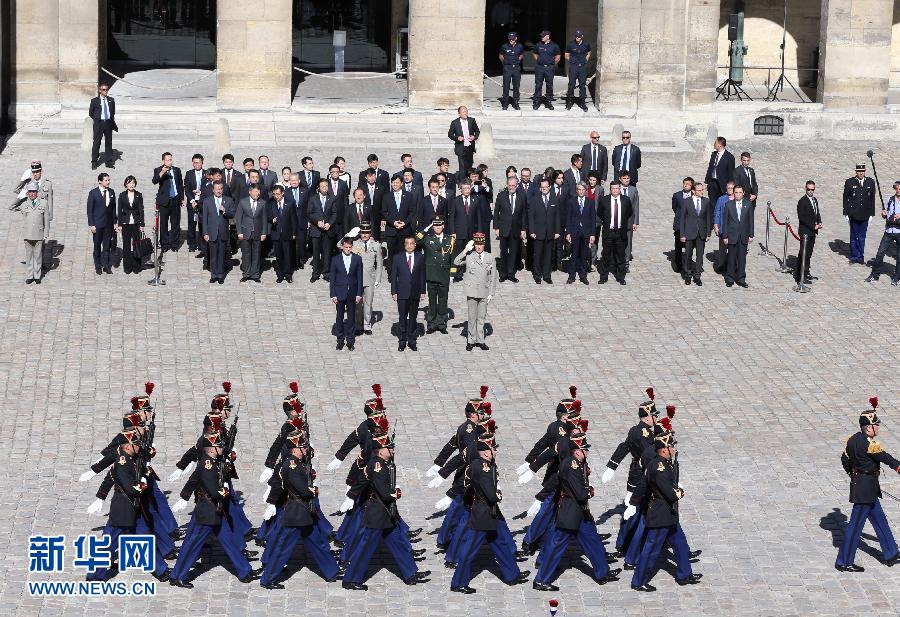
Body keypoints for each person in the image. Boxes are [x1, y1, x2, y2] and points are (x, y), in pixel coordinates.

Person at [341, 430, 430, 590]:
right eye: (390, 447)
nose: (393, 450)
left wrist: (351, 494)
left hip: (387, 514)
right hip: (377, 514)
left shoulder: (380, 464)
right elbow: (384, 494)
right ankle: (350, 580)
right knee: (364, 549)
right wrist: (396, 492)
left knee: (400, 544)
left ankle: (411, 574)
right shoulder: (377, 466)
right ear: (380, 450)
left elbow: (361, 481)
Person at [169, 433, 262, 588]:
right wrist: (224, 490)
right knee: (192, 546)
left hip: (217, 513)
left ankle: (245, 572)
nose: (222, 449)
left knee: (230, 542)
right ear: (212, 449)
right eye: (219, 447)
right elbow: (213, 491)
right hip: (207, 514)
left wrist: (184, 496)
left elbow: (193, 479)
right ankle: (178, 576)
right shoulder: (207, 465)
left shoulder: (214, 461)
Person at [532, 432, 620, 591]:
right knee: (556, 547)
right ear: (577, 451)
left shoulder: (579, 463)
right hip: (570, 513)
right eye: (585, 449)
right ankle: (541, 580)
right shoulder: (571, 465)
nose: (587, 452)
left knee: (593, 542)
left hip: (581, 514)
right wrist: (590, 491)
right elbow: (580, 493)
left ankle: (603, 573)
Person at [258, 429, 342, 588]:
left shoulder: (298, 463)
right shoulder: (292, 467)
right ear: (294, 449)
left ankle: (331, 571)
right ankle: (267, 579)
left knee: (319, 543)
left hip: (305, 513)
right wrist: (314, 489)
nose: (306, 449)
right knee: (283, 549)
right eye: (303, 447)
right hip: (295, 514)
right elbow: (304, 490)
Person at [450, 438, 530, 594]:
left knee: (500, 545)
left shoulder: (484, 465)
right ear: (486, 452)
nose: (495, 451)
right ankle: (458, 583)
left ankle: (512, 575)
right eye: (493, 448)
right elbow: (491, 495)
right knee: (469, 550)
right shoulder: (482, 468)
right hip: (482, 514)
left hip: (488, 512)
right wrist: (497, 494)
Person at [630, 428, 702, 591]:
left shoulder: (663, 463)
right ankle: (639, 581)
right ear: (663, 449)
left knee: (680, 543)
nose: (674, 449)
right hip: (660, 515)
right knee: (651, 550)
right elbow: (670, 494)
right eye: (671, 446)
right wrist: (679, 491)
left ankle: (684, 574)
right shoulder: (659, 467)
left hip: (668, 514)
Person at [835, 398, 900, 572]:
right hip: (865, 490)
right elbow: (884, 457)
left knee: (880, 520)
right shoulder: (869, 444)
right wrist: (898, 467)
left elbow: (844, 459)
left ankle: (891, 553)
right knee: (855, 527)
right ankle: (844, 561)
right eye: (876, 425)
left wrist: (853, 475)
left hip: (865, 487)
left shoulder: (852, 440)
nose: (878, 427)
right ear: (868, 427)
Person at [454, 233, 497, 351]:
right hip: (472, 291)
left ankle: (480, 340)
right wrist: (465, 250)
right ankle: (471, 340)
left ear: (484, 244)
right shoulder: (469, 256)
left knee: (481, 317)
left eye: (481, 244)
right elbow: (456, 262)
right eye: (477, 244)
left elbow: (493, 276)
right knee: (472, 317)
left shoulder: (489, 258)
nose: (479, 247)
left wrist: (491, 293)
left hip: (484, 291)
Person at [416, 217, 453, 334]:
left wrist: (452, 274)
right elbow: (416, 239)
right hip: (431, 273)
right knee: (432, 300)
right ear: (432, 227)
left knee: (443, 300)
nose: (437, 227)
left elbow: (452, 258)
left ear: (443, 226)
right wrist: (426, 228)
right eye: (435, 225)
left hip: (444, 274)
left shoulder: (450, 239)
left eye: (439, 225)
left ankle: (441, 323)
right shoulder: (427, 239)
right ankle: (431, 324)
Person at [391, 236, 426, 351]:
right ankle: (402, 340)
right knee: (402, 317)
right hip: (402, 292)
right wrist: (394, 291)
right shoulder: (397, 258)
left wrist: (423, 291)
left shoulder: (420, 257)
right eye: (407, 243)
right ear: (404, 245)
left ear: (415, 245)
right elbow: (394, 276)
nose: (409, 246)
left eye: (412, 243)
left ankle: (411, 340)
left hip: (415, 292)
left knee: (413, 317)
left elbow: (422, 275)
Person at [328, 237, 364, 351]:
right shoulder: (336, 259)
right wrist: (333, 294)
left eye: (350, 247)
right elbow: (332, 278)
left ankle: (350, 340)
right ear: (342, 247)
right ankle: (339, 339)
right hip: (339, 292)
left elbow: (360, 277)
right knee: (339, 316)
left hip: (352, 292)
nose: (348, 249)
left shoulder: (357, 259)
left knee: (351, 317)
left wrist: (359, 293)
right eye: (346, 247)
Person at [12, 181, 50, 284]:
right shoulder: (24, 203)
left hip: (39, 234)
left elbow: (46, 220)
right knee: (29, 256)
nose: (32, 194)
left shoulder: (43, 203)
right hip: (28, 234)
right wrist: (20, 197)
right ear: (27, 193)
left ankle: (37, 276)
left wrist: (46, 234)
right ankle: (29, 276)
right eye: (30, 192)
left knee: (38, 256)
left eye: (34, 192)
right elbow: (11, 207)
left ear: (37, 192)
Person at [864, 180, 900, 284]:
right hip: (889, 231)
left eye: (899, 188)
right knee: (880, 254)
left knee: (899, 256)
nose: (898, 190)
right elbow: (886, 214)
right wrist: (884, 214)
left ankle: (897, 276)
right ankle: (875, 275)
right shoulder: (890, 199)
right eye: (896, 188)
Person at [598, 181, 633, 285]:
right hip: (608, 232)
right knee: (606, 255)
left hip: (620, 232)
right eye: (613, 188)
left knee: (620, 256)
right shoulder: (604, 200)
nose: (615, 190)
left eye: (617, 188)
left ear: (620, 189)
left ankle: (620, 277)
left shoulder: (625, 200)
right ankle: (603, 277)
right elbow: (600, 213)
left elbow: (629, 213)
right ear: (610, 189)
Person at [493, 176, 527, 283]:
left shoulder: (522, 196)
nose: (511, 187)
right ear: (507, 185)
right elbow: (496, 213)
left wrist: (523, 229)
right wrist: (496, 227)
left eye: (513, 185)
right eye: (509, 185)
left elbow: (524, 214)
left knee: (513, 252)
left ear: (517, 186)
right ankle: (503, 274)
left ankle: (511, 273)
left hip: (516, 229)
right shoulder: (501, 195)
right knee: (503, 252)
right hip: (504, 228)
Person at [352, 222, 383, 335]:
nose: (365, 235)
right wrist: (349, 235)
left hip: (370, 279)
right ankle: (358, 324)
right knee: (358, 303)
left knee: (368, 303)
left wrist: (378, 279)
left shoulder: (376, 245)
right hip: (357, 279)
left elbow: (379, 264)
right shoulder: (355, 244)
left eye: (367, 232)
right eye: (363, 232)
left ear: (370, 233)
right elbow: (338, 245)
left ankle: (367, 325)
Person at [843, 163, 878, 265]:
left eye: (862, 171)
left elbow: (872, 199)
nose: (861, 173)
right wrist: (846, 213)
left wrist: (872, 214)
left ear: (865, 171)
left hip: (865, 214)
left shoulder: (870, 182)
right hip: (853, 214)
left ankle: (860, 256)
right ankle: (854, 256)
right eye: (859, 171)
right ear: (856, 172)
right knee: (854, 237)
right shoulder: (850, 182)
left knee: (862, 237)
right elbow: (845, 198)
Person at [235, 183, 269, 283]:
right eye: (255, 191)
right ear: (250, 192)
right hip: (245, 232)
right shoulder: (243, 202)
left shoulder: (262, 203)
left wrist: (264, 233)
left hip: (258, 232)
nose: (257, 193)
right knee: (246, 253)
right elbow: (238, 218)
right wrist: (239, 232)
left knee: (256, 253)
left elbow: (264, 219)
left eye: (258, 191)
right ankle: (246, 273)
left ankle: (255, 274)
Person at [528, 178, 560, 284]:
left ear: (549, 187)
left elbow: (557, 217)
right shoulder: (534, 199)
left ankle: (547, 275)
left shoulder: (554, 199)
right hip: (538, 232)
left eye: (546, 187)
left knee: (548, 255)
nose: (544, 189)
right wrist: (531, 231)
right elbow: (531, 216)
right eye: (542, 187)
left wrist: (557, 231)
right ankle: (537, 275)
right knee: (537, 255)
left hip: (550, 232)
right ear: (540, 188)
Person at [680, 181, 712, 286]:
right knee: (688, 254)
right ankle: (688, 275)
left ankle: (697, 276)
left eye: (702, 190)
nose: (702, 192)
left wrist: (708, 233)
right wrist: (682, 234)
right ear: (693, 191)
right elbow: (682, 219)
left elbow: (708, 218)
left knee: (700, 255)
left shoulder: (706, 201)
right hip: (689, 232)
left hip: (701, 232)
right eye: (699, 190)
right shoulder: (687, 201)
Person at [382, 175, 416, 275]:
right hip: (391, 230)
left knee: (403, 253)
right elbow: (384, 212)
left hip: (404, 230)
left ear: (401, 183)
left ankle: (403, 273)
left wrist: (405, 223)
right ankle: (391, 274)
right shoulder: (387, 196)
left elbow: (412, 212)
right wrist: (393, 222)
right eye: (393, 183)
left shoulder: (409, 196)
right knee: (391, 253)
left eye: (397, 182)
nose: (395, 184)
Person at [202, 181, 234, 284]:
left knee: (221, 254)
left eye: (220, 189)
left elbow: (232, 214)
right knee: (213, 254)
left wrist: (225, 211)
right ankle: (213, 274)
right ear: (213, 190)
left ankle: (220, 275)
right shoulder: (207, 201)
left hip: (223, 232)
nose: (219, 191)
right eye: (217, 189)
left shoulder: (228, 200)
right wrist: (205, 233)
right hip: (211, 232)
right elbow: (205, 218)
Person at [449, 181, 481, 282]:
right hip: (459, 232)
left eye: (468, 188)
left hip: (471, 232)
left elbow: (478, 217)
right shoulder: (455, 201)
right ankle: (458, 274)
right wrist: (453, 231)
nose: (467, 190)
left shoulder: (475, 199)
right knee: (458, 253)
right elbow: (452, 218)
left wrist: (479, 231)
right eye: (465, 188)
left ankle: (471, 273)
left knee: (471, 253)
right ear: (460, 189)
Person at [722, 185, 753, 288]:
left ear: (743, 193)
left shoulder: (748, 205)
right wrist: (725, 236)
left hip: (743, 235)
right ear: (733, 193)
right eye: (736, 192)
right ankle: (730, 278)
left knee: (742, 258)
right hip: (732, 235)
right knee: (731, 257)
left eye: (740, 192)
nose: (738, 194)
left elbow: (750, 221)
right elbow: (725, 222)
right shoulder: (729, 205)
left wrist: (751, 235)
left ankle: (741, 278)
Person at [151, 152, 184, 252]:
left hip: (175, 200)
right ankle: (164, 244)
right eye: (168, 160)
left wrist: (182, 198)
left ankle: (175, 243)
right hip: (164, 201)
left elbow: (180, 185)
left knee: (175, 223)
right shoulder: (158, 170)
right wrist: (162, 172)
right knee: (163, 224)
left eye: (171, 159)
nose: (170, 161)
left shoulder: (176, 170)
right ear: (163, 161)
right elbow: (154, 180)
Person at [566, 182, 595, 285]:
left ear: (585, 190)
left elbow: (592, 219)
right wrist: (568, 232)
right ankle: (571, 276)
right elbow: (568, 218)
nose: (581, 191)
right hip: (575, 232)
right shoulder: (571, 201)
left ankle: (583, 276)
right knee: (573, 255)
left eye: (583, 190)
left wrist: (592, 234)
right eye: (579, 190)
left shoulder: (590, 202)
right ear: (576, 190)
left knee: (584, 256)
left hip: (586, 232)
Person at [308, 178, 337, 282]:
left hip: (328, 230)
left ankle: (326, 273)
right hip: (316, 230)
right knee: (316, 253)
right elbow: (309, 213)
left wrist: (330, 223)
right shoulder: (313, 199)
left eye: (326, 186)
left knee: (327, 253)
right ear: (318, 188)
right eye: (323, 186)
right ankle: (315, 273)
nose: (325, 188)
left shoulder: (332, 199)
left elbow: (334, 214)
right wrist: (317, 221)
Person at [267, 185, 298, 283]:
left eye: (278, 194)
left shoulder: (290, 203)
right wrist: (271, 219)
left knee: (287, 255)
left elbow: (294, 219)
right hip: (276, 233)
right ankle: (280, 274)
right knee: (279, 255)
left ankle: (288, 274)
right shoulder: (271, 203)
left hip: (287, 233)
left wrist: (294, 232)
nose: (276, 196)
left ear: (283, 193)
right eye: (274, 194)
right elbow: (267, 215)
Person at [87, 173, 116, 275]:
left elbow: (113, 209)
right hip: (98, 224)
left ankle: (107, 266)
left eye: (108, 180)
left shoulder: (111, 192)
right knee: (97, 246)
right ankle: (98, 265)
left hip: (108, 224)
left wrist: (114, 222)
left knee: (107, 246)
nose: (108, 182)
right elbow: (90, 210)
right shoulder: (93, 193)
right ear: (100, 181)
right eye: (106, 180)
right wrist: (92, 224)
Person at [116, 176, 145, 276]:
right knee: (126, 246)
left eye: (133, 183)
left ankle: (137, 266)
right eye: (129, 183)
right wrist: (119, 224)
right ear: (126, 184)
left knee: (137, 245)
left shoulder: (139, 195)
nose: (131, 185)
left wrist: (142, 224)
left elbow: (141, 210)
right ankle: (127, 267)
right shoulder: (122, 195)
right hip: (126, 223)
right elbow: (119, 210)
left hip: (136, 223)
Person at [797, 180, 824, 285]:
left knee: (809, 254)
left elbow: (817, 212)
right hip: (805, 232)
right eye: (808, 189)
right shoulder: (802, 201)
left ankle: (806, 272)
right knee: (803, 254)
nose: (810, 191)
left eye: (812, 189)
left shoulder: (814, 200)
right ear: (805, 189)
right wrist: (813, 226)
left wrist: (819, 222)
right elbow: (802, 218)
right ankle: (800, 276)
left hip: (813, 232)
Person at [88, 83, 117, 169]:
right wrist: (97, 119)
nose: (106, 91)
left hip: (108, 123)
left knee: (108, 143)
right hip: (99, 124)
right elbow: (91, 113)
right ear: (100, 91)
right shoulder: (94, 101)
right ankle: (94, 161)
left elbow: (113, 112)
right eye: (104, 90)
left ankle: (108, 162)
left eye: (107, 89)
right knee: (96, 143)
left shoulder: (111, 100)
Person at [284, 173, 309, 271]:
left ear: (299, 181)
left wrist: (308, 221)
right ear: (289, 181)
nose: (294, 181)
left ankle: (301, 260)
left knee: (302, 242)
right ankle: (292, 261)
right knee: (291, 243)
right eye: (292, 180)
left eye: (296, 180)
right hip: (290, 222)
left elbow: (308, 206)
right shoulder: (286, 192)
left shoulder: (305, 191)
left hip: (302, 221)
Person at [448, 107, 480, 180]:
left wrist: (474, 137)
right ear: (459, 113)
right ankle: (462, 182)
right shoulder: (455, 122)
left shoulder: (472, 120)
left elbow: (477, 131)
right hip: (461, 147)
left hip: (470, 147)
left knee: (469, 165)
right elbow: (450, 134)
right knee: (462, 166)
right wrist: (457, 138)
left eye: (466, 111)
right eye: (463, 112)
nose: (465, 113)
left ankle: (469, 179)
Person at [532, 30, 561, 110]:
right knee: (538, 85)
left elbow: (558, 56)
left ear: (548, 36)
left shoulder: (554, 46)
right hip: (540, 68)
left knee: (549, 85)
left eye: (543, 36)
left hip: (549, 68)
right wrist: (538, 61)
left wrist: (552, 64)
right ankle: (537, 101)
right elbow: (534, 53)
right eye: (541, 36)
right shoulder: (538, 45)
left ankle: (549, 101)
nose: (541, 37)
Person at [564, 29, 591, 111]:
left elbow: (589, 53)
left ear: (582, 36)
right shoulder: (570, 45)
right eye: (576, 36)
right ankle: (570, 102)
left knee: (582, 85)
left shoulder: (586, 44)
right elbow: (566, 55)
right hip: (574, 67)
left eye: (579, 36)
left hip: (582, 67)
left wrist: (585, 60)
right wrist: (573, 62)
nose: (577, 38)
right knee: (571, 84)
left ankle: (582, 103)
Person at [184, 154, 206, 252]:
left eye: (199, 162)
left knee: (202, 224)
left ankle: (202, 245)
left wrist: (202, 193)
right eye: (195, 162)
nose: (197, 164)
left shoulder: (206, 174)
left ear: (202, 162)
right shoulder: (189, 174)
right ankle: (192, 245)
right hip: (192, 202)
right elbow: (187, 189)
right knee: (192, 224)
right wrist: (192, 200)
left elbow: (209, 188)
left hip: (203, 203)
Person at [671, 177, 694, 273]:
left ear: (692, 185)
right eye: (684, 183)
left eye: (688, 184)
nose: (685, 185)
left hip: (690, 225)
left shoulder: (694, 196)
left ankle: (688, 265)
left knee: (689, 246)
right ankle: (678, 265)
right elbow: (674, 208)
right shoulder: (677, 195)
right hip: (679, 224)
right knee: (678, 246)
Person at [712, 181, 735, 275]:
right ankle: (721, 265)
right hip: (723, 228)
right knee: (722, 249)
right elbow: (717, 213)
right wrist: (716, 225)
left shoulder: (737, 199)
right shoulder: (721, 199)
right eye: (728, 188)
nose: (729, 190)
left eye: (731, 188)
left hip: (734, 229)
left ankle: (732, 266)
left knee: (733, 249)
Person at [704, 136, 735, 205]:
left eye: (715, 142)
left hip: (723, 184)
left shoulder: (729, 157)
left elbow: (731, 173)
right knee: (712, 204)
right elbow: (710, 168)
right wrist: (706, 182)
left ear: (720, 144)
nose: (714, 144)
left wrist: (730, 186)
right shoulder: (713, 154)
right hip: (712, 183)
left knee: (722, 203)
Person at [619, 170, 640, 267]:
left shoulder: (633, 190)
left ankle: (626, 261)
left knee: (628, 241)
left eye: (628, 178)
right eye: (624, 178)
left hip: (629, 220)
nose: (626, 180)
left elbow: (636, 206)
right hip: (617, 219)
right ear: (620, 179)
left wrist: (635, 222)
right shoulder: (616, 189)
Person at [499, 32, 524, 110]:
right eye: (510, 39)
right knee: (506, 85)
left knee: (516, 85)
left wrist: (517, 60)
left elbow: (521, 54)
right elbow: (501, 55)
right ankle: (505, 102)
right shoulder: (504, 46)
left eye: (512, 39)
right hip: (507, 68)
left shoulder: (520, 46)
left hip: (516, 68)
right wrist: (505, 63)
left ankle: (515, 102)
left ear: (515, 38)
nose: (511, 40)